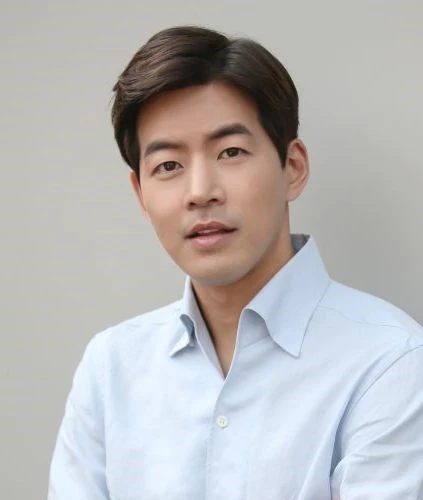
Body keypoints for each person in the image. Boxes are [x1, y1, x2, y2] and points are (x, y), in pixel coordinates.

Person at [48, 26, 423, 499]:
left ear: (293, 168)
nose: (200, 191)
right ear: (141, 194)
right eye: (168, 165)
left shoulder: (390, 361)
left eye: (230, 152)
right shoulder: (110, 369)